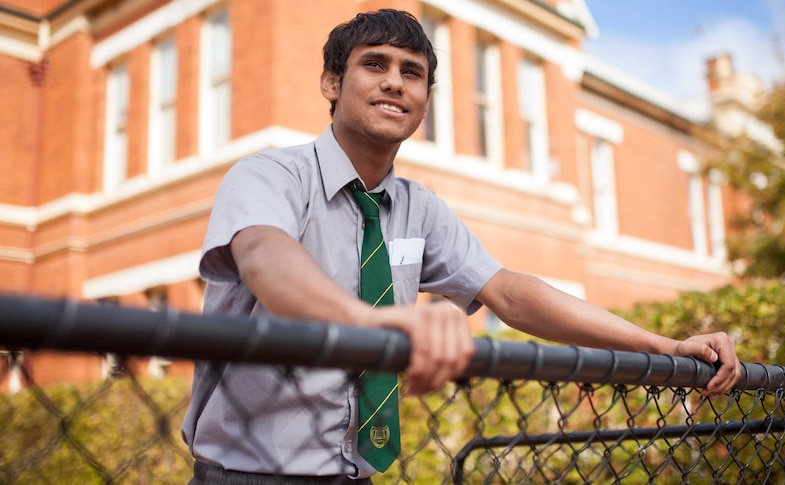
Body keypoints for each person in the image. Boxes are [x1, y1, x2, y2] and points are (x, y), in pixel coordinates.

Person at [182, 8, 740, 484]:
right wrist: (382, 327)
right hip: (244, 472)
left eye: (413, 73)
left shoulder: (419, 208)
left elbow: (511, 292)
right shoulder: (270, 176)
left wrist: (662, 347)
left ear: (426, 100)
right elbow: (265, 259)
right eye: (374, 64)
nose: (395, 82)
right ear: (332, 82)